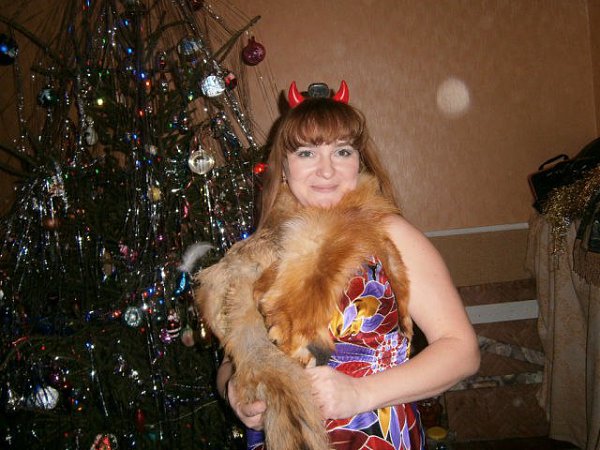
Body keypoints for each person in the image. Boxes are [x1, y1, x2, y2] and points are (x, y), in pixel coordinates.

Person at [216, 81, 480, 449]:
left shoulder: (390, 235)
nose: (327, 170)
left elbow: (462, 351)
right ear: (284, 167)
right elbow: (232, 358)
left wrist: (361, 392)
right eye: (307, 153)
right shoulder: (260, 250)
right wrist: (233, 389)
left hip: (374, 437)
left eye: (342, 151)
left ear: (359, 162)